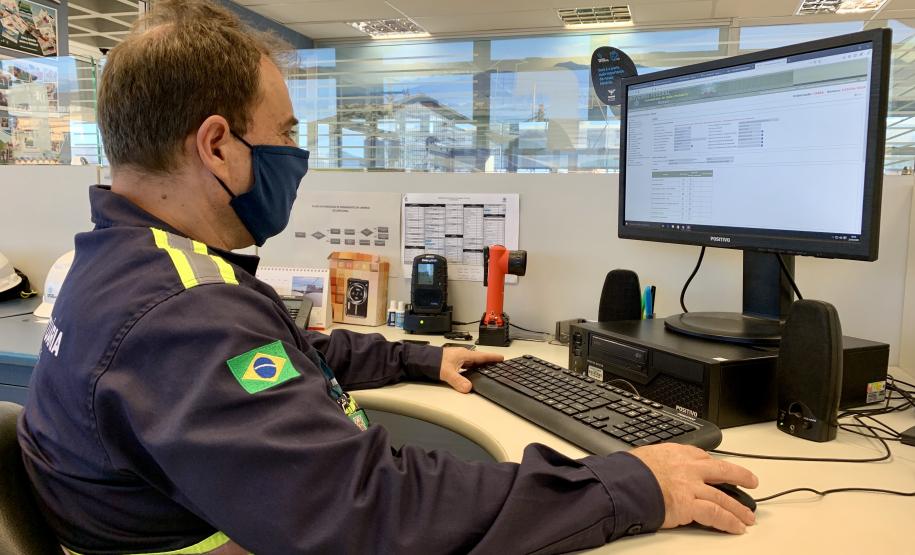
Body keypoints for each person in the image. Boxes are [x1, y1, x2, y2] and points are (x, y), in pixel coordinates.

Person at [17, 2, 758, 554]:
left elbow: (275, 355)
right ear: (218, 146)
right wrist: (628, 484)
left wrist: (419, 357)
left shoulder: (127, 261)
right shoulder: (179, 313)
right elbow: (372, 511)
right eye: (284, 135)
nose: (293, 155)